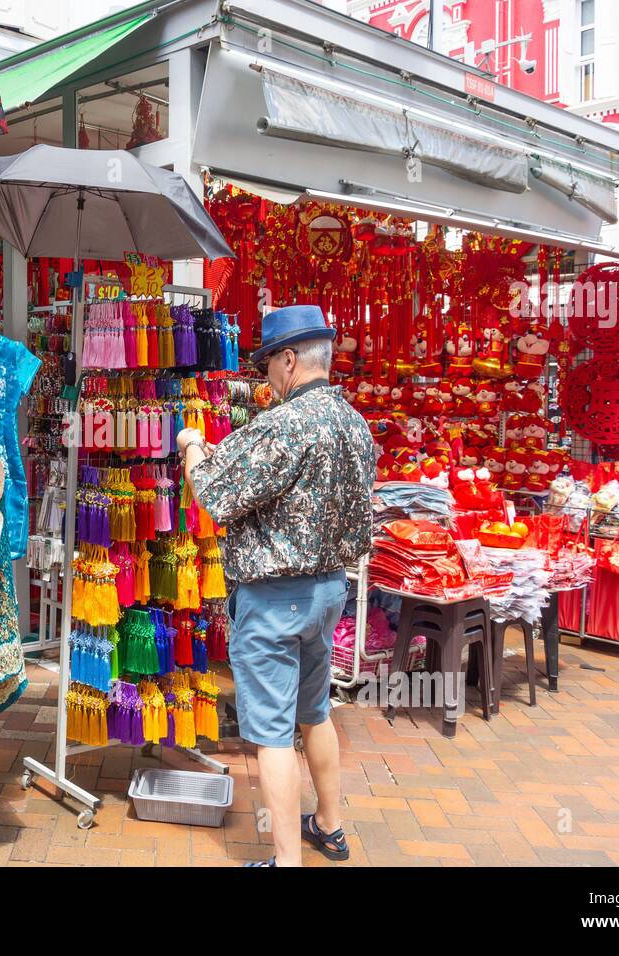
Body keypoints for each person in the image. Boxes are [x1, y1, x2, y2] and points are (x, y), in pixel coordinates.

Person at [178, 304, 375, 867]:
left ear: (289, 360)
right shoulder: (353, 422)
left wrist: (193, 443)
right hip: (329, 591)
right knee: (315, 712)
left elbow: (213, 493)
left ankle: (286, 859)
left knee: (270, 733)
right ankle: (330, 827)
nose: (266, 375)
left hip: (275, 599)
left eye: (269, 363)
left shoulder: (285, 424)